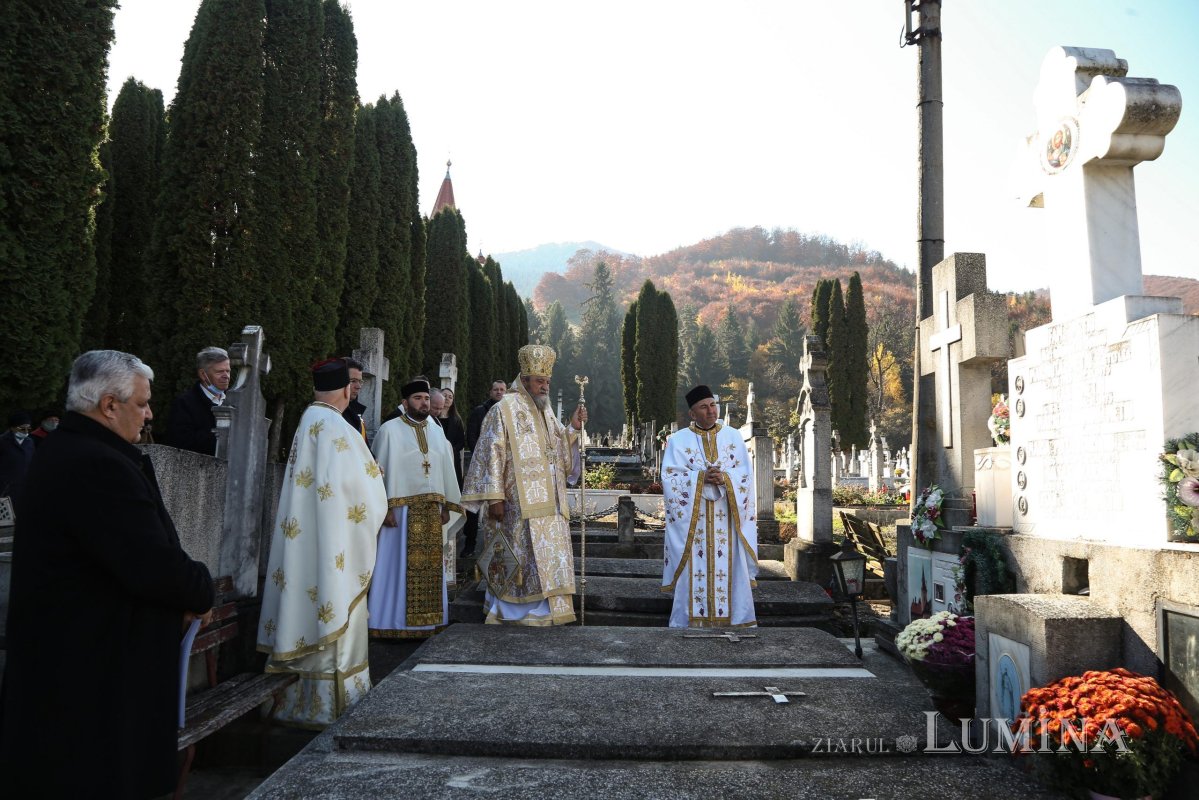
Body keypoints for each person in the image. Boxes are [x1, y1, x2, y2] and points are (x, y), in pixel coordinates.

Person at [0, 350, 215, 798]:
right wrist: (200, 589)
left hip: (87, 660)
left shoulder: (75, 451)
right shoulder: (95, 463)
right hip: (90, 671)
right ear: (109, 405)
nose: (150, 413)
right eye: (142, 402)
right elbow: (150, 562)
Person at [256, 359, 387, 728]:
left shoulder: (309, 420)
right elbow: (360, 487)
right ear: (346, 389)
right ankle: (332, 699)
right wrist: (378, 476)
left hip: (310, 537)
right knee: (332, 599)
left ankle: (300, 696)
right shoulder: (334, 427)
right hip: (333, 542)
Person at [461, 345, 586, 625]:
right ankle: (512, 611)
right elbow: (490, 451)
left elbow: (560, 454)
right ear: (525, 379)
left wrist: (574, 428)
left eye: (548, 381)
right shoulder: (503, 409)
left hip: (551, 503)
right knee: (519, 555)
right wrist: (494, 497)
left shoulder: (547, 411)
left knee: (547, 559)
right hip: (517, 503)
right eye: (540, 380)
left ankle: (546, 610)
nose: (545, 386)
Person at [368, 379, 462, 638]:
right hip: (400, 513)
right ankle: (391, 622)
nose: (424, 403)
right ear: (405, 402)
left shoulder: (436, 431)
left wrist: (445, 505)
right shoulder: (389, 430)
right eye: (418, 398)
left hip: (431, 512)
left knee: (431, 568)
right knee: (394, 567)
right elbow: (378, 474)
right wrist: (384, 508)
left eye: (426, 398)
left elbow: (445, 470)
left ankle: (428, 623)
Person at [660, 385, 758, 628]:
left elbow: (746, 476)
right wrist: (699, 478)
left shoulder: (734, 437)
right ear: (692, 414)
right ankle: (688, 622)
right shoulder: (678, 441)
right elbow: (670, 478)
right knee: (694, 569)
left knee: (732, 568)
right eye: (704, 407)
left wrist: (727, 479)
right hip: (695, 524)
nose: (711, 410)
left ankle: (737, 620)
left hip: (727, 518)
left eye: (712, 404)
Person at [460, 379, 507, 557]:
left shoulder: (508, 412)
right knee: (474, 507)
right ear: (490, 392)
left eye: (502, 389)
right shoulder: (480, 411)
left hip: (499, 469)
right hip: (480, 466)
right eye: (496, 389)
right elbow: (471, 435)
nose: (499, 392)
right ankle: (470, 544)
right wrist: (482, 457)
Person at [167, 346, 232, 455]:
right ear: (203, 374)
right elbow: (181, 445)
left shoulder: (235, 401)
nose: (226, 376)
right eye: (220, 371)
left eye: (228, 371)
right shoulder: (184, 404)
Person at [0, 411, 34, 499]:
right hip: (5, 488)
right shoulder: (3, 441)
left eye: (28, 428)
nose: (26, 431)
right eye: (22, 428)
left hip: (24, 487)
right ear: (12, 428)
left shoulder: (29, 442)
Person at [440, 387, 466, 488]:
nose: (447, 398)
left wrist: (450, 450)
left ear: (452, 401)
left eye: (450, 397)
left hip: (452, 458)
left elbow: (461, 442)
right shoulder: (432, 418)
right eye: (444, 396)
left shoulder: (457, 420)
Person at [342, 357, 367, 439]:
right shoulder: (330, 413)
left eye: (360, 381)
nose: (358, 386)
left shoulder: (356, 412)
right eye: (353, 381)